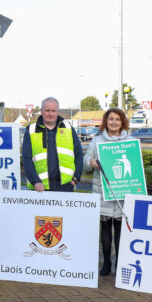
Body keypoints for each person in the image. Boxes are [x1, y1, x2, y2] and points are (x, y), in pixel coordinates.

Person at [83, 108, 132, 276]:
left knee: (120, 230)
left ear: (122, 122)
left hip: (122, 193)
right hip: (102, 193)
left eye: (117, 119)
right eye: (111, 119)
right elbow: (85, 163)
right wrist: (91, 161)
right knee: (105, 229)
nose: (114, 122)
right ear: (106, 121)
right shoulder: (96, 141)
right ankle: (106, 262)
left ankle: (120, 262)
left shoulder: (131, 141)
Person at [22, 97, 83, 192]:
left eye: (53, 111)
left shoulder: (68, 129)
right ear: (41, 111)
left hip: (65, 186)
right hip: (39, 187)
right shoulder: (31, 130)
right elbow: (27, 159)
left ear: (58, 112)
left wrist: (75, 179)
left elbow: (79, 154)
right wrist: (36, 182)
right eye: (47, 110)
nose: (50, 114)